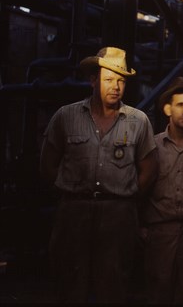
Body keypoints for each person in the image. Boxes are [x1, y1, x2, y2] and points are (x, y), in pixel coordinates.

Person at [39, 46, 158, 303]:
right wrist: (69, 193)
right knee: (70, 283)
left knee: (114, 285)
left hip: (118, 214)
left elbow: (149, 168)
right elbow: (47, 164)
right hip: (73, 211)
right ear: (93, 80)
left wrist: (127, 197)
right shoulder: (66, 116)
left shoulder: (138, 121)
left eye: (121, 80)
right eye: (108, 79)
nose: (115, 86)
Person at [141, 76, 183, 304]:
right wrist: (141, 226)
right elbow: (139, 188)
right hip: (159, 232)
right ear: (167, 108)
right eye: (180, 105)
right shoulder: (152, 146)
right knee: (157, 293)